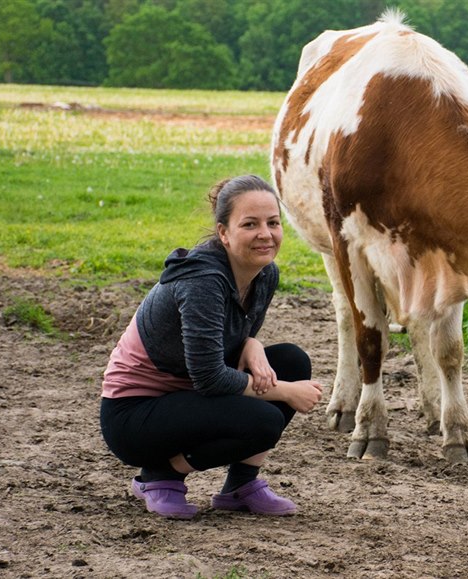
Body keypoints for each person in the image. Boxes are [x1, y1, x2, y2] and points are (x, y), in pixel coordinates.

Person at [99, 174, 323, 519]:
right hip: (135, 414)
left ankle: (240, 487)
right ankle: (161, 475)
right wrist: (287, 391)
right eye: (250, 224)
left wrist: (252, 343)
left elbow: (228, 339)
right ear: (223, 233)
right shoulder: (202, 278)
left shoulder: (264, 274)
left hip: (186, 395)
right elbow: (210, 378)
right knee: (264, 418)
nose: (265, 234)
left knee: (292, 360)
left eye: (273, 222)